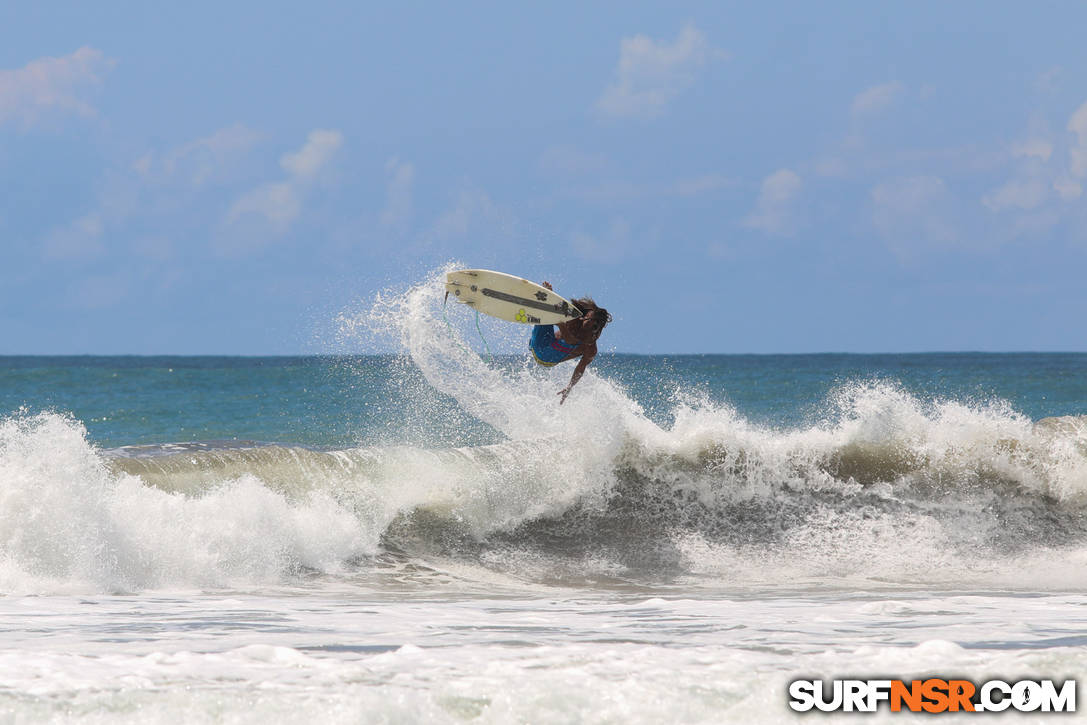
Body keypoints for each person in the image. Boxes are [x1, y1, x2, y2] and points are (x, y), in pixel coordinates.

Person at [529, 281, 611, 404]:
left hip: (546, 358)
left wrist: (570, 387)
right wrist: (551, 297)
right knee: (547, 314)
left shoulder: (590, 349)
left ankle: (546, 301)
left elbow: (580, 368)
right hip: (538, 343)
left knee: (571, 340)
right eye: (587, 317)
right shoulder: (574, 319)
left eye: (593, 324)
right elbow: (560, 310)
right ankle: (545, 297)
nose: (586, 321)